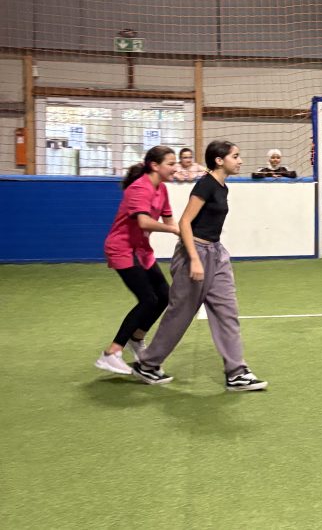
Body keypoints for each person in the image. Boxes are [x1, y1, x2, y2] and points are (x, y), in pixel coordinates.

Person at [130, 141, 268, 391]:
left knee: (227, 311)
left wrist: (213, 255)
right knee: (180, 314)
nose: (240, 161)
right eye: (235, 156)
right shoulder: (205, 184)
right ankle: (147, 364)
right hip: (193, 252)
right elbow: (185, 223)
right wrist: (194, 258)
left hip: (216, 253)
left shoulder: (222, 186)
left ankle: (236, 372)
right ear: (219, 160)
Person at [95, 146, 181, 375]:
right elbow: (144, 222)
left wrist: (182, 231)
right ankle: (111, 353)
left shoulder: (161, 188)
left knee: (165, 296)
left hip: (142, 251)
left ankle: (137, 338)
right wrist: (173, 230)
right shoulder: (139, 188)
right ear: (155, 165)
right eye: (171, 164)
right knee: (148, 299)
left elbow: (170, 219)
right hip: (122, 249)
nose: (175, 168)